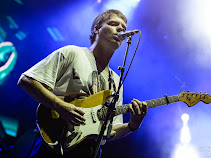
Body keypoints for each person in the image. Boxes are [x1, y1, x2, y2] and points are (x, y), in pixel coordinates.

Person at [17, 9, 147, 158]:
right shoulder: (73, 53)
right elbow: (27, 80)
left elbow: (111, 129)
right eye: (113, 24)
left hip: (88, 152)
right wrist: (60, 106)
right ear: (97, 29)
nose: (120, 29)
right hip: (54, 142)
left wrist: (132, 126)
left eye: (123, 28)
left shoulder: (116, 81)